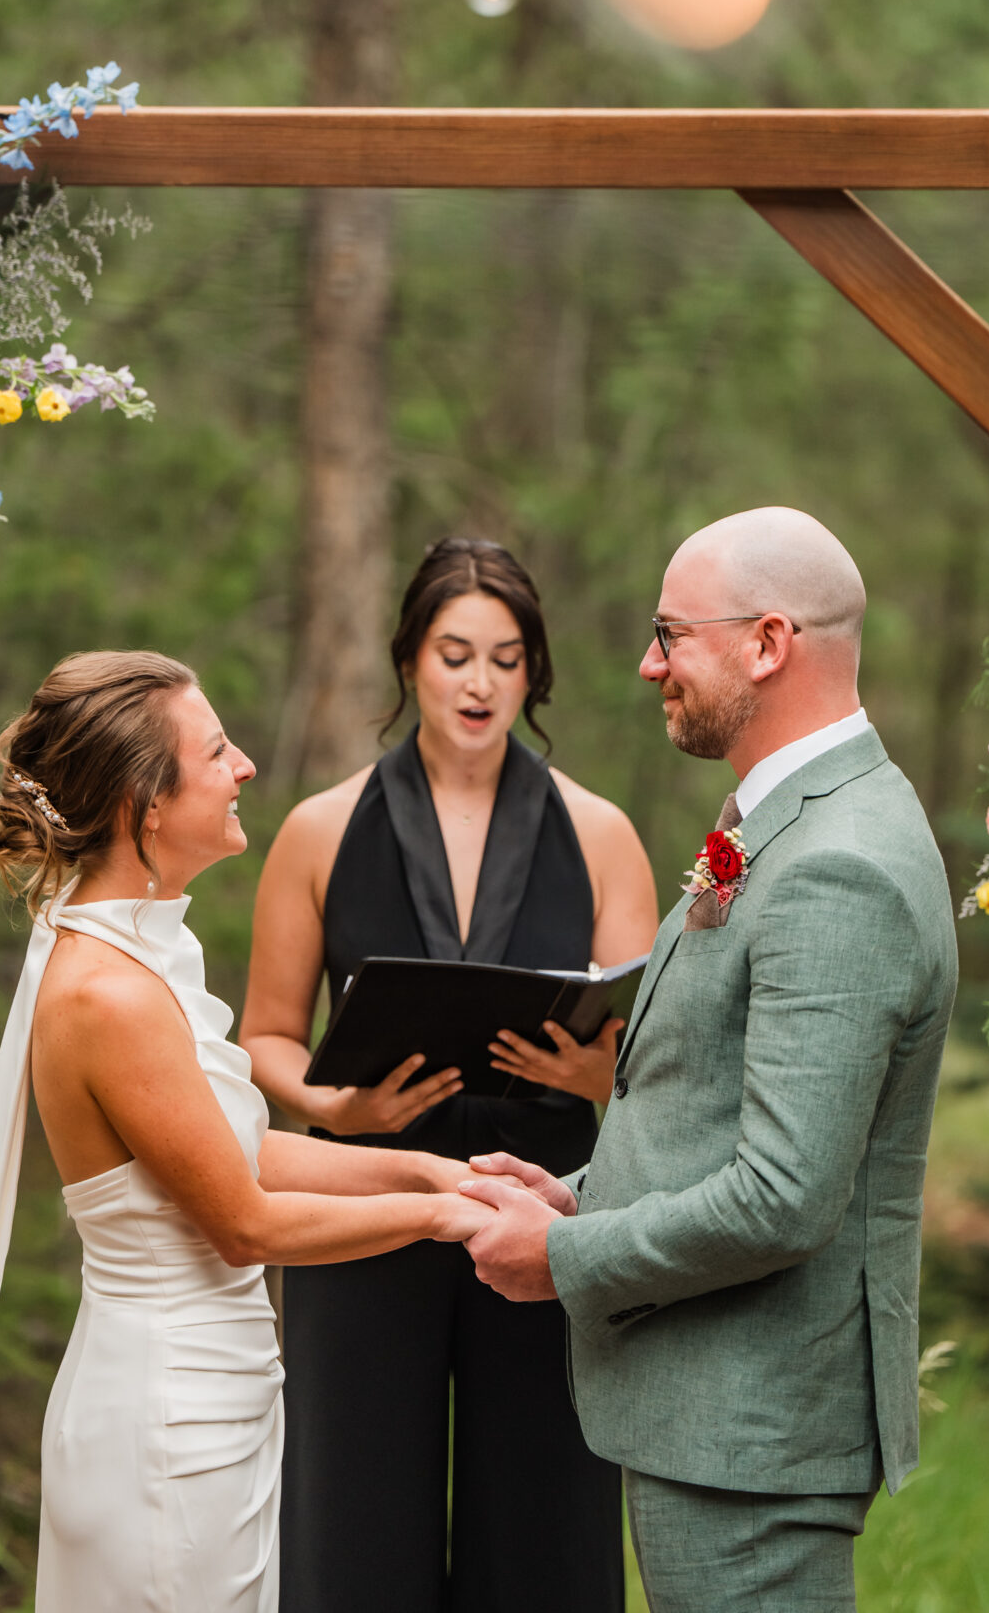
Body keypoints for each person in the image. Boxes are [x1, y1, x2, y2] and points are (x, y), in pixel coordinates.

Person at [0, 649, 493, 1613]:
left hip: (216, 1402)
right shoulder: (108, 992)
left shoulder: (148, 951)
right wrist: (441, 1224)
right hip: (163, 1425)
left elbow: (242, 1149)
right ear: (147, 806)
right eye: (216, 752)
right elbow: (245, 1224)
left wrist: (432, 1172)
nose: (245, 764)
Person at [460, 507, 958, 1613]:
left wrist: (566, 1255)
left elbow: (784, 1194)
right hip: (720, 1420)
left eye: (670, 633)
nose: (649, 663)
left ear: (767, 642)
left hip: (756, 1433)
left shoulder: (841, 865)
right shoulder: (792, 821)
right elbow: (720, 1110)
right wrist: (576, 1194)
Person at [241, 538, 657, 1613]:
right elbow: (267, 1036)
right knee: (353, 1508)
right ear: (409, 660)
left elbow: (658, 1049)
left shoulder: (604, 833)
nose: (481, 683)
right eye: (456, 653)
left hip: (551, 1203)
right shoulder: (318, 829)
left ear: (537, 673)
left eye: (508, 659)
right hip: (368, 1200)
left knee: (548, 1513)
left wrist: (597, 1073)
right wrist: (335, 1103)